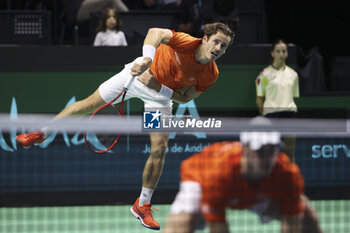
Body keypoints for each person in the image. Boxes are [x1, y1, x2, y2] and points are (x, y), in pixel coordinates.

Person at [15, 22, 235, 230]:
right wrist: (147, 60)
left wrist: (159, 88)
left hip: (158, 99)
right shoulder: (187, 42)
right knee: (87, 105)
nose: (218, 48)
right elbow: (155, 33)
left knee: (159, 148)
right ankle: (41, 133)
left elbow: (186, 98)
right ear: (205, 38)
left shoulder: (211, 74)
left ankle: (142, 204)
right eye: (215, 41)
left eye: (223, 46)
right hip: (135, 78)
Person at [163, 117, 323, 233]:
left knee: (306, 213)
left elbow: (292, 224)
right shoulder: (218, 173)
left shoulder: (287, 174)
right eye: (260, 152)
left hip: (255, 192)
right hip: (199, 178)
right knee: (183, 220)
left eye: (271, 150)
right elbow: (218, 228)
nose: (267, 159)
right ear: (245, 150)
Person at [255, 39, 299, 161]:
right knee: (269, 152)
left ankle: (289, 178)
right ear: (272, 53)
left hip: (289, 115)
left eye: (283, 51)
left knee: (290, 150)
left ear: (287, 54)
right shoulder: (264, 74)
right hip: (271, 116)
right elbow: (259, 98)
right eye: (278, 51)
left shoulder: (293, 74)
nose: (281, 54)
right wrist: (264, 117)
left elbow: (293, 96)